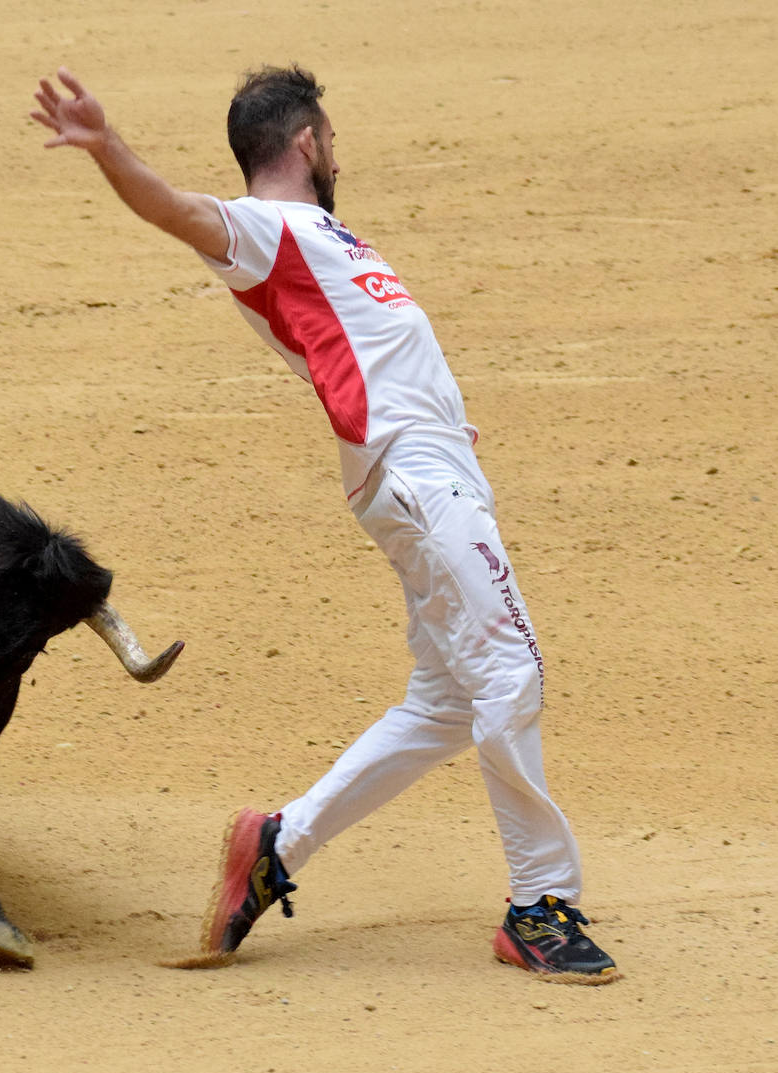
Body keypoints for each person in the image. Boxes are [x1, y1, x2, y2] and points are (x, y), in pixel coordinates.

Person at [32, 65, 620, 984]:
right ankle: (539, 906)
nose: (337, 157)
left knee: (450, 702)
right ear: (307, 140)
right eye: (331, 140)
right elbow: (178, 211)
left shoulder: (324, 238)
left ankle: (279, 844)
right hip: (417, 478)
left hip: (431, 479)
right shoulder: (265, 229)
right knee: (509, 672)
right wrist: (109, 148)